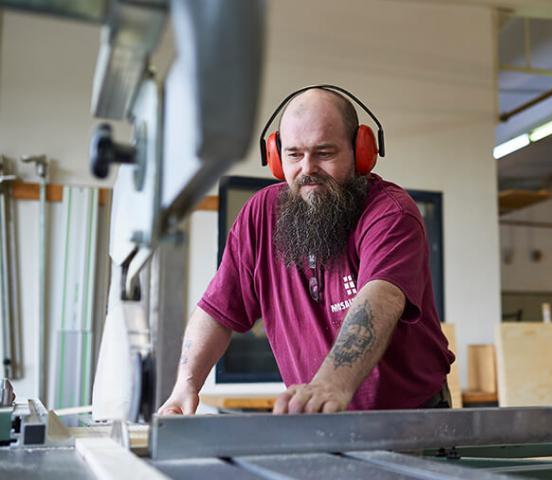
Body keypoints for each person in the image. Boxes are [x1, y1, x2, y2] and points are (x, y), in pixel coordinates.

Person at [157, 86, 453, 415]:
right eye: (294, 154)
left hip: (412, 417)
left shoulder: (391, 212)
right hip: (320, 414)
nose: (307, 168)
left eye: (324, 153)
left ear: (360, 152)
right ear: (275, 156)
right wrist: (186, 384)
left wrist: (331, 383)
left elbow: (381, 297)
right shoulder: (260, 214)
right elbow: (216, 310)